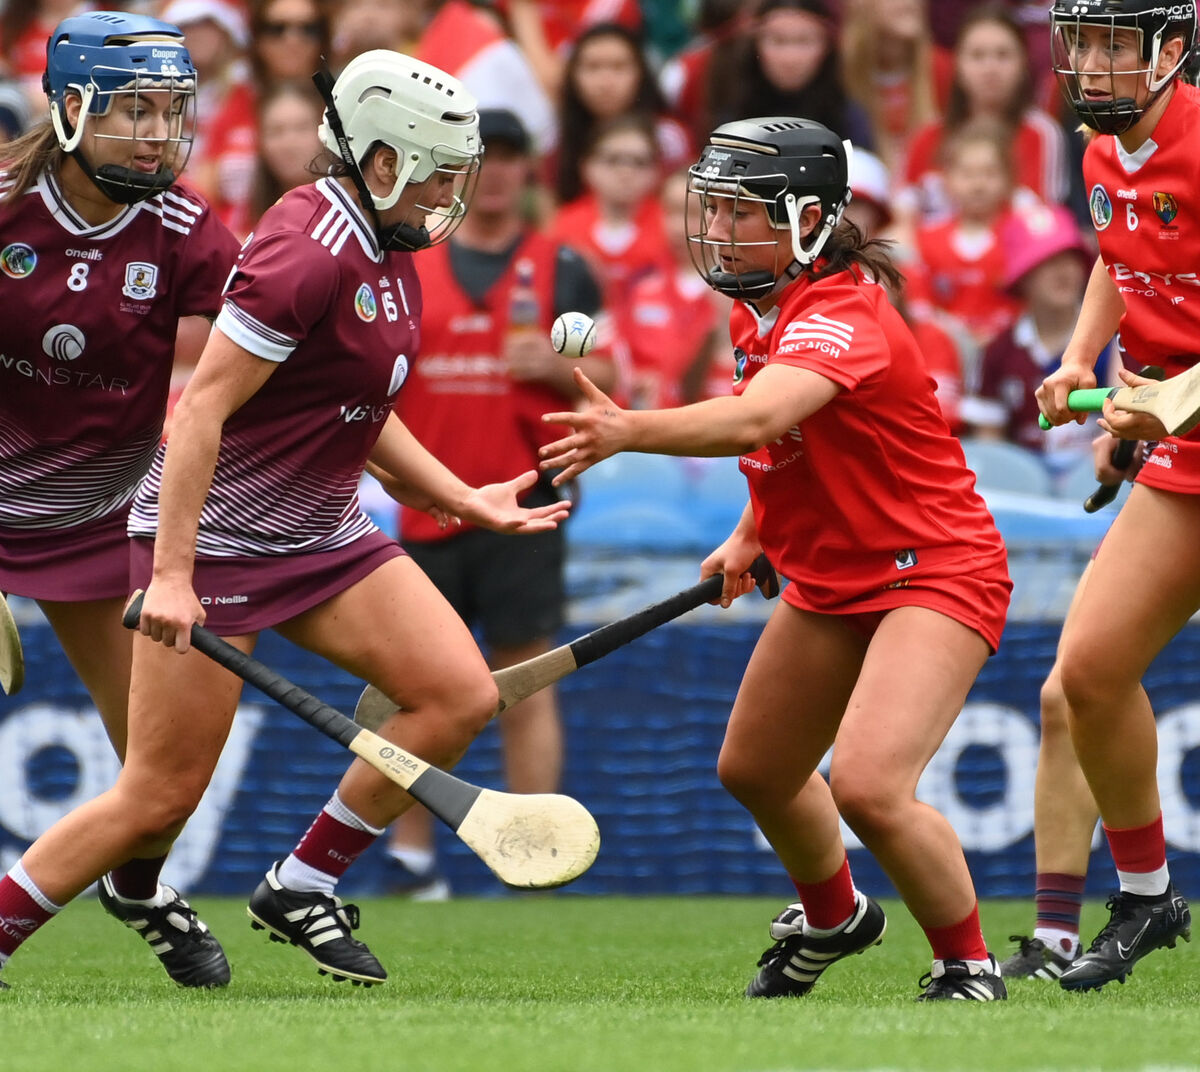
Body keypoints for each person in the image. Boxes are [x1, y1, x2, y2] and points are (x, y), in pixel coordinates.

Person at [0, 50, 570, 991]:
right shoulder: (306, 250)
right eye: (434, 173)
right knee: (159, 794)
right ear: (381, 160)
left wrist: (460, 497)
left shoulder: (387, 245)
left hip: (322, 536)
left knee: (459, 694)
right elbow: (202, 414)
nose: (446, 196)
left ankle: (302, 882)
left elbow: (356, 404)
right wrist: (174, 575)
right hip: (218, 541)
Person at [538, 117, 1012, 1001]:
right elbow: (788, 444)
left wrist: (628, 431)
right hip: (834, 576)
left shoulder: (845, 311)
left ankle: (967, 965)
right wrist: (753, 533)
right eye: (710, 209)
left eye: (738, 213)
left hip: (935, 569)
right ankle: (834, 917)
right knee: (754, 768)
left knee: (870, 787)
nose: (716, 230)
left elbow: (759, 417)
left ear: (805, 222)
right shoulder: (757, 308)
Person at [0, 11, 242, 988]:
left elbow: (274, 357)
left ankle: (138, 888)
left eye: (169, 111)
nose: (155, 132)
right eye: (131, 110)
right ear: (69, 109)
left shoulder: (185, 230)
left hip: (99, 527)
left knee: (162, 769)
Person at [382, 107, 615, 897]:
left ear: (530, 170)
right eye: (490, 158)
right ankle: (410, 859)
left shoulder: (564, 266)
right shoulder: (412, 256)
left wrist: (555, 370)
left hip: (527, 502)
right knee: (416, 690)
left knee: (526, 680)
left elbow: (610, 382)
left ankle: (532, 853)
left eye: (517, 157)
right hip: (429, 501)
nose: (502, 172)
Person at [1033, 0, 1197, 992]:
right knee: (1086, 677)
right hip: (1185, 455)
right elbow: (1118, 253)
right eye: (1082, 40)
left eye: (1115, 44)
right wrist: (1082, 357)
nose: (1091, 62)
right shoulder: (1101, 156)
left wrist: (1168, 401)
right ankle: (1147, 896)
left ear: (1172, 52)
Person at [961, 203, 1113, 491]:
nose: (1063, 273)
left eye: (1070, 259)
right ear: (1021, 278)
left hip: (1100, 485)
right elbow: (989, 449)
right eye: (1046, 262)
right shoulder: (998, 352)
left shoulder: (1114, 337)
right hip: (1026, 497)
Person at [895, 3, 1069, 238]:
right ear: (957, 64)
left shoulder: (1041, 134)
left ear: (1023, 63)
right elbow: (902, 217)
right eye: (977, 55)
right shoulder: (926, 136)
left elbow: (1042, 222)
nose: (990, 68)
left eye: (1003, 55)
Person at [550, 22, 691, 206]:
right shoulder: (557, 137)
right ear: (572, 76)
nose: (605, 82)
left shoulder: (668, 137)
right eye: (593, 67)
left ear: (641, 73)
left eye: (618, 67)